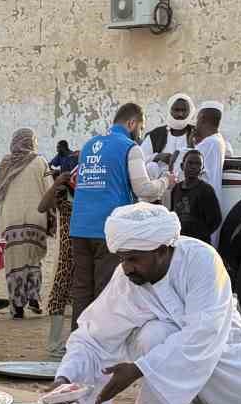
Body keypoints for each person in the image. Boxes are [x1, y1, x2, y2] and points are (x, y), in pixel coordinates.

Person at [51, 204, 241, 404]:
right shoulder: (128, 278)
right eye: (123, 258)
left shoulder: (201, 260)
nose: (126, 268)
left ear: (162, 250)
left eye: (134, 258)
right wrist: (65, 378)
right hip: (165, 362)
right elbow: (93, 335)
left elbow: (204, 332)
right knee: (154, 335)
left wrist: (139, 369)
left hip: (225, 351)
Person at [69, 102, 167, 325]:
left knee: (82, 289)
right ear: (132, 123)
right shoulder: (130, 148)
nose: (140, 135)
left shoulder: (89, 145)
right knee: (106, 289)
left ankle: (78, 344)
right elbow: (144, 190)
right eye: (140, 128)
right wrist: (165, 182)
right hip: (108, 229)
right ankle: (100, 349)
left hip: (79, 227)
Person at [0, 128, 51, 318]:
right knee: (33, 260)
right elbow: (49, 190)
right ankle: (34, 297)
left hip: (12, 220)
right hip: (36, 219)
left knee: (14, 262)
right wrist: (51, 217)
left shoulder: (6, 163)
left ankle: (17, 306)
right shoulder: (40, 162)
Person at [41, 167, 77, 353]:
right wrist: (56, 184)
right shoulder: (62, 193)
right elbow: (42, 207)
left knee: (83, 295)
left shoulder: (90, 192)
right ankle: (54, 344)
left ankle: (75, 344)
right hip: (66, 254)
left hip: (85, 251)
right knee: (59, 294)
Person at [192, 102, 232, 242]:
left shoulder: (209, 143)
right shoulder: (219, 141)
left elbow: (184, 168)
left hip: (202, 202)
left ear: (202, 118)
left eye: (197, 119)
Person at [168, 149, 222, 243]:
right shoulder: (176, 189)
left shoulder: (206, 190)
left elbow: (216, 220)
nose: (193, 167)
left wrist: (201, 237)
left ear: (202, 168)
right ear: (182, 166)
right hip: (180, 241)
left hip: (198, 242)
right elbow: (173, 214)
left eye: (198, 164)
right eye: (190, 163)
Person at [145, 93, 194, 182]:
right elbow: (141, 159)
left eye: (184, 110)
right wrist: (158, 156)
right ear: (169, 110)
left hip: (185, 181)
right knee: (151, 166)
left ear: (190, 112)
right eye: (176, 110)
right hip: (159, 184)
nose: (180, 114)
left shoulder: (195, 133)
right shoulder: (156, 134)